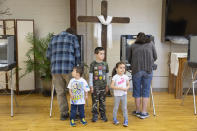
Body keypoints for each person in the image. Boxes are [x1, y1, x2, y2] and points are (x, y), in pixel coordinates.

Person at [46, 28, 81, 120]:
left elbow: (48, 55)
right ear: (72, 33)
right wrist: (78, 69)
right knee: (75, 91)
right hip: (69, 69)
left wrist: (55, 62)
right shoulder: (73, 38)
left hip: (56, 70)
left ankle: (64, 114)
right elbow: (77, 55)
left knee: (60, 92)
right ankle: (76, 113)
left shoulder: (53, 38)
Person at [128, 32, 157, 119]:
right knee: (146, 91)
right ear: (146, 38)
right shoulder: (151, 44)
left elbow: (129, 59)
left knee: (137, 91)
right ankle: (144, 112)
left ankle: (137, 111)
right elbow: (155, 57)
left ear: (137, 38)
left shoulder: (132, 45)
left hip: (136, 70)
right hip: (148, 70)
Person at [89, 47, 109, 122]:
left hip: (103, 86)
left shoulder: (105, 64)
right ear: (96, 54)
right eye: (101, 54)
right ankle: (95, 115)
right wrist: (91, 86)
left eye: (103, 54)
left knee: (102, 101)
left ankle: (103, 114)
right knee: (95, 101)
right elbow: (91, 75)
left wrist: (107, 85)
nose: (103, 55)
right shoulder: (93, 64)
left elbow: (107, 75)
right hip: (95, 86)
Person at [111, 61, 130, 127]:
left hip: (124, 95)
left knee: (124, 108)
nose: (122, 69)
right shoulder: (115, 77)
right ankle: (114, 119)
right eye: (120, 68)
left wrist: (126, 88)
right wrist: (119, 88)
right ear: (116, 69)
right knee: (116, 108)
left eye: (124, 68)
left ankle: (126, 120)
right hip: (117, 95)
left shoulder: (126, 77)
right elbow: (112, 86)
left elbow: (128, 85)